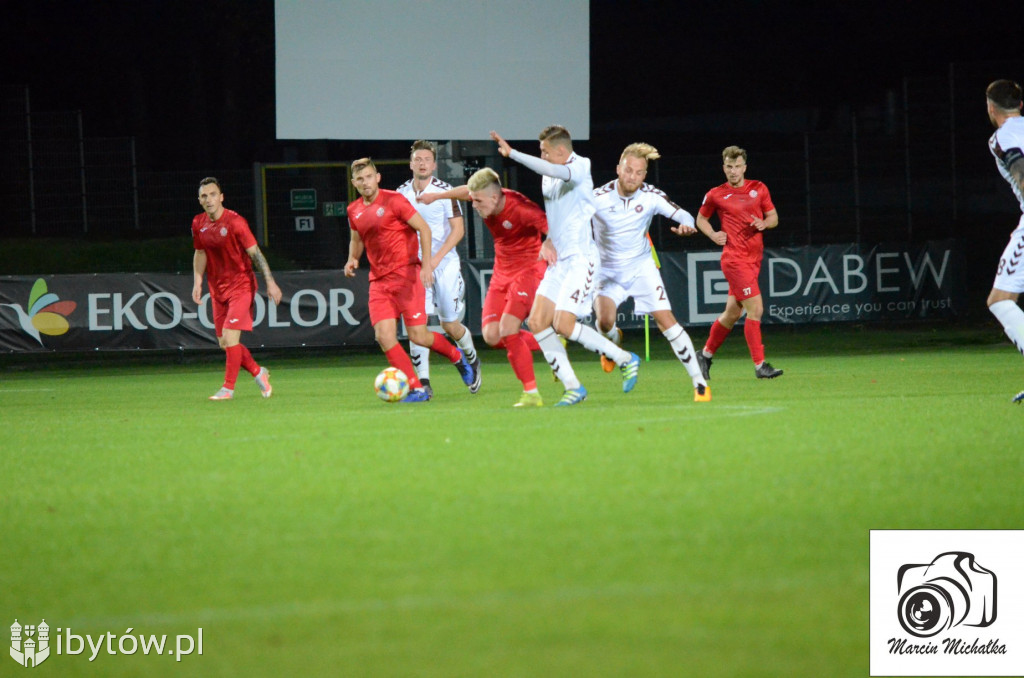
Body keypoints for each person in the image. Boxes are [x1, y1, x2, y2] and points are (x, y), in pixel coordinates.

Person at [491, 126, 641, 406]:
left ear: (561, 151)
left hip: (581, 259)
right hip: (558, 260)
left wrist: (513, 154)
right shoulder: (550, 174)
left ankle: (624, 358)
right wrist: (548, 240)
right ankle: (573, 387)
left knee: (563, 324)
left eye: (545, 152)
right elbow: (560, 215)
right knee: (537, 322)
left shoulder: (581, 165)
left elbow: (560, 174)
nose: (543, 156)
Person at [344, 158, 476, 402]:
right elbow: (357, 239)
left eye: (369, 177)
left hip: (407, 277)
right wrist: (352, 258)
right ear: (354, 183)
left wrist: (426, 265)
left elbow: (424, 229)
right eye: (360, 179)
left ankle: (456, 356)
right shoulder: (354, 210)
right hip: (380, 283)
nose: (365, 182)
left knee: (419, 336)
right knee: (383, 337)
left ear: (378, 177)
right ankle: (416, 388)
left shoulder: (394, 200)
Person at [592, 143, 711, 402]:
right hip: (607, 271)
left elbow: (684, 215)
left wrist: (686, 226)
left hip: (641, 267)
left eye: (638, 172)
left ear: (645, 175)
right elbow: (573, 223)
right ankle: (612, 345)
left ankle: (699, 383)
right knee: (603, 322)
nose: (632, 176)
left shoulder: (651, 195)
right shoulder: (597, 197)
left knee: (666, 319)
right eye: (628, 170)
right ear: (618, 169)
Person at [420, 168, 549, 406]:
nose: (474, 205)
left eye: (478, 201)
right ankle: (550, 342)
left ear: (494, 197)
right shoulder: (483, 196)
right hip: (502, 272)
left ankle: (531, 392)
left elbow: (551, 228)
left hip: (529, 270)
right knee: (491, 336)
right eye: (473, 199)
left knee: (509, 328)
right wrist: (436, 197)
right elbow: (463, 193)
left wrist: (550, 243)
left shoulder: (522, 208)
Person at [396, 140, 480, 397]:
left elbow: (458, 230)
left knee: (449, 325)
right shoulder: (400, 194)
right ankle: (423, 382)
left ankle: (471, 357)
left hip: (444, 264)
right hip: (416, 268)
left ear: (434, 165)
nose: (422, 163)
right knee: (416, 324)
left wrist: (433, 260)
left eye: (426, 159)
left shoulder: (445, 192)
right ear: (411, 164)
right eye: (417, 159)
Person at [691, 145, 783, 381]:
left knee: (732, 313)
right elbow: (701, 218)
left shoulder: (758, 188)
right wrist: (713, 234)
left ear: (745, 167)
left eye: (737, 166)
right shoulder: (716, 194)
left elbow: (773, 217)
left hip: (754, 260)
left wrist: (764, 223)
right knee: (756, 309)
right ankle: (760, 365)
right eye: (729, 167)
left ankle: (705, 355)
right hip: (734, 260)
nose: (733, 171)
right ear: (724, 168)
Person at [192, 177, 282, 400]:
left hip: (241, 285)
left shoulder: (235, 222)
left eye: (213, 194)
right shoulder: (198, 223)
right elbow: (200, 252)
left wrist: (270, 282)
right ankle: (258, 371)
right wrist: (197, 281)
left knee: (231, 339)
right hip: (217, 289)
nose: (209, 199)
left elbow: (256, 254)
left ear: (221, 197)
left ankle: (228, 388)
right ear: (200, 200)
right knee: (225, 344)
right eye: (204, 196)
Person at [984, 79, 1024, 403]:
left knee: (1000, 299)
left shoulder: (1002, 137)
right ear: (1021, 105)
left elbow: (1020, 170)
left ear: (991, 108)